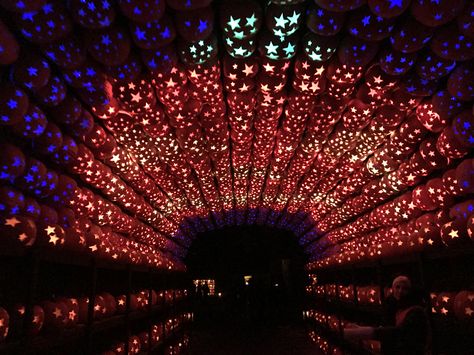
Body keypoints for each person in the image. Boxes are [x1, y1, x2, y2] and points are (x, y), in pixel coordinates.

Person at [343, 275, 431, 355]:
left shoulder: (416, 311)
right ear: (392, 289)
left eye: (405, 288)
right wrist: (360, 328)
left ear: (410, 291)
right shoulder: (392, 306)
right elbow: (386, 328)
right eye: (397, 287)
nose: (400, 291)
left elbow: (399, 333)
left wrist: (364, 332)